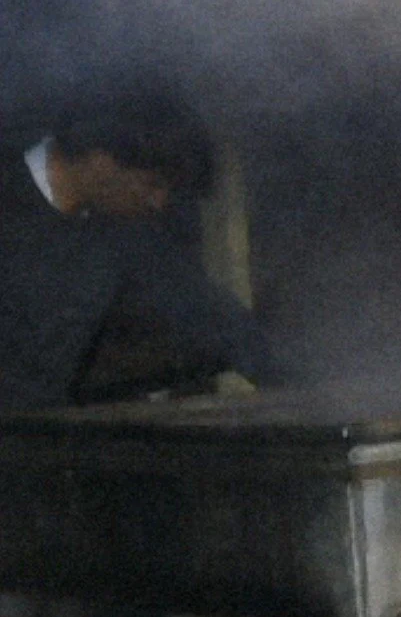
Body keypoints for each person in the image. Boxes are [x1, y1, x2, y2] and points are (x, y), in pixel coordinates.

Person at [0, 85, 281, 410]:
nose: (159, 202)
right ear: (102, 163)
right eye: (153, 184)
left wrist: (325, 392)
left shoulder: (126, 233)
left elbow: (218, 321)